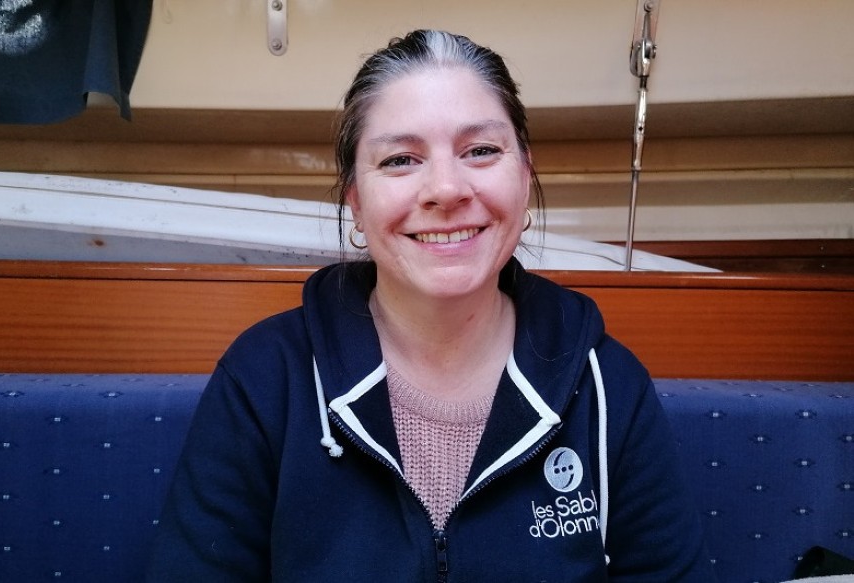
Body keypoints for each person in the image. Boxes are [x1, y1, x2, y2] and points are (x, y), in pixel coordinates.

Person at [146, 29, 716, 582]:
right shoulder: (264, 378)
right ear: (356, 202)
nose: (446, 189)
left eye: (481, 151)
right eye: (400, 159)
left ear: (525, 176)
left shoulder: (609, 385)